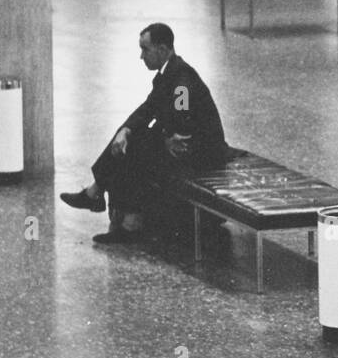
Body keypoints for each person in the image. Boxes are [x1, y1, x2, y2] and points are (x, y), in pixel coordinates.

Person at [59, 23, 228, 245]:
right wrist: (125, 129)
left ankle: (102, 199)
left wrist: (164, 137)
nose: (141, 56)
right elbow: (148, 108)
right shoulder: (169, 73)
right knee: (130, 140)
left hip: (199, 151)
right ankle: (122, 215)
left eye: (145, 49)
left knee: (136, 148)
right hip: (182, 142)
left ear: (162, 49)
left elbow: (183, 119)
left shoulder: (182, 81)